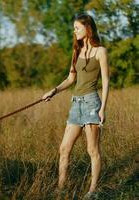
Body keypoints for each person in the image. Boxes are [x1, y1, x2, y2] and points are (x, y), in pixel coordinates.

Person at [42, 13, 109, 199]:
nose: (74, 31)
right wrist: (53, 91)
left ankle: (92, 191)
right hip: (76, 104)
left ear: (88, 28)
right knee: (64, 148)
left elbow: (106, 81)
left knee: (92, 150)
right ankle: (61, 188)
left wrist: (102, 108)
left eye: (77, 27)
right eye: (74, 28)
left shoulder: (100, 51)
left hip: (91, 104)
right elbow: (71, 78)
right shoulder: (76, 51)